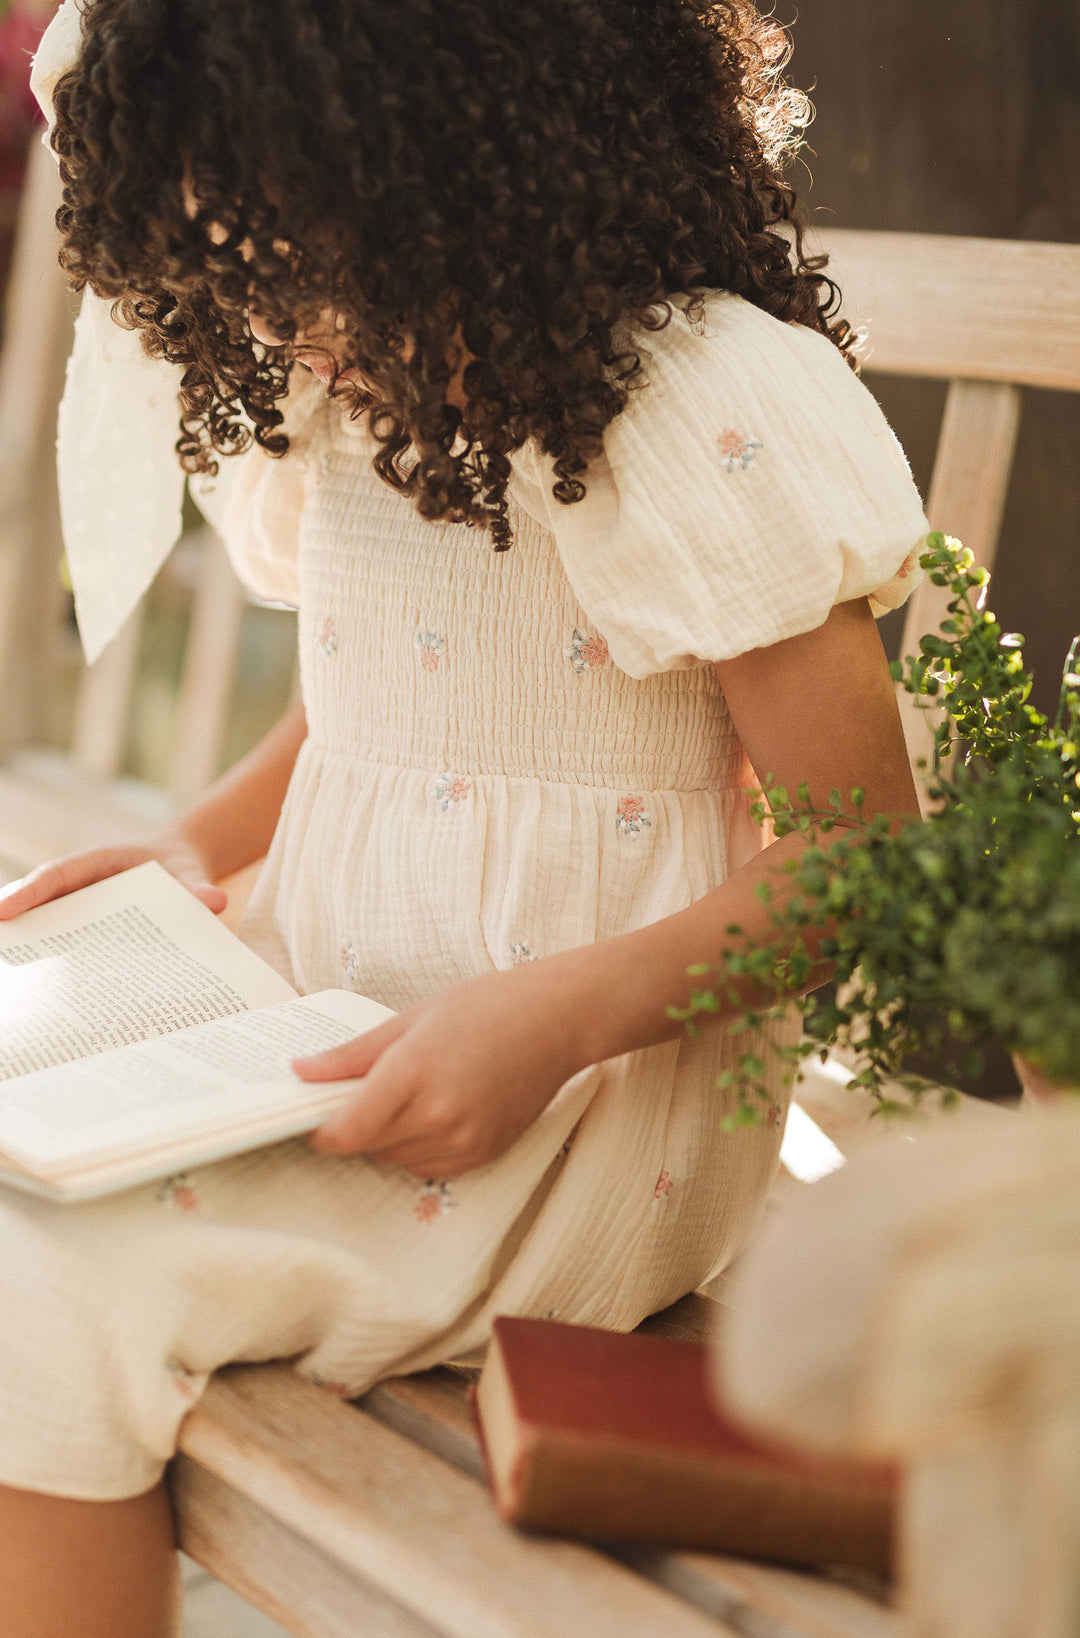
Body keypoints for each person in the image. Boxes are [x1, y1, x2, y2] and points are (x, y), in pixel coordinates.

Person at [0, 1, 927, 1631]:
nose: (288, 309)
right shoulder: (359, 387)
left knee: (30, 1299)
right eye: (252, 263)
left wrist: (549, 1019)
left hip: (579, 1089)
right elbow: (365, 701)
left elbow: (868, 858)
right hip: (338, 1011)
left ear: (465, 167)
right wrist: (193, 843)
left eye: (307, 245)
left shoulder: (689, 404)